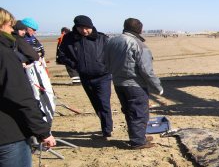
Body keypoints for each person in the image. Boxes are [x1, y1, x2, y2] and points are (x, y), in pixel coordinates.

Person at [0, 7, 56, 167]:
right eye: (9, 25)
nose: (12, 29)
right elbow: (22, 98)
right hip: (6, 134)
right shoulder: (5, 55)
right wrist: (43, 131)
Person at [105, 18, 163, 149]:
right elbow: (146, 70)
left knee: (129, 111)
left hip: (118, 83)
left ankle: (138, 136)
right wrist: (157, 87)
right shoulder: (138, 44)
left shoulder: (112, 41)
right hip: (135, 85)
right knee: (139, 112)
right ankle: (138, 141)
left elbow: (106, 62)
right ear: (140, 29)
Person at [57, 15, 114, 138]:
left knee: (104, 103)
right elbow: (61, 55)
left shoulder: (101, 38)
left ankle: (107, 129)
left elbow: (112, 53)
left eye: (87, 28)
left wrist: (106, 66)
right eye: (81, 28)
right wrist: (75, 65)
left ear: (91, 26)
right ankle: (105, 125)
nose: (84, 31)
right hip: (85, 77)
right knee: (95, 103)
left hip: (103, 76)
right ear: (76, 27)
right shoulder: (68, 39)